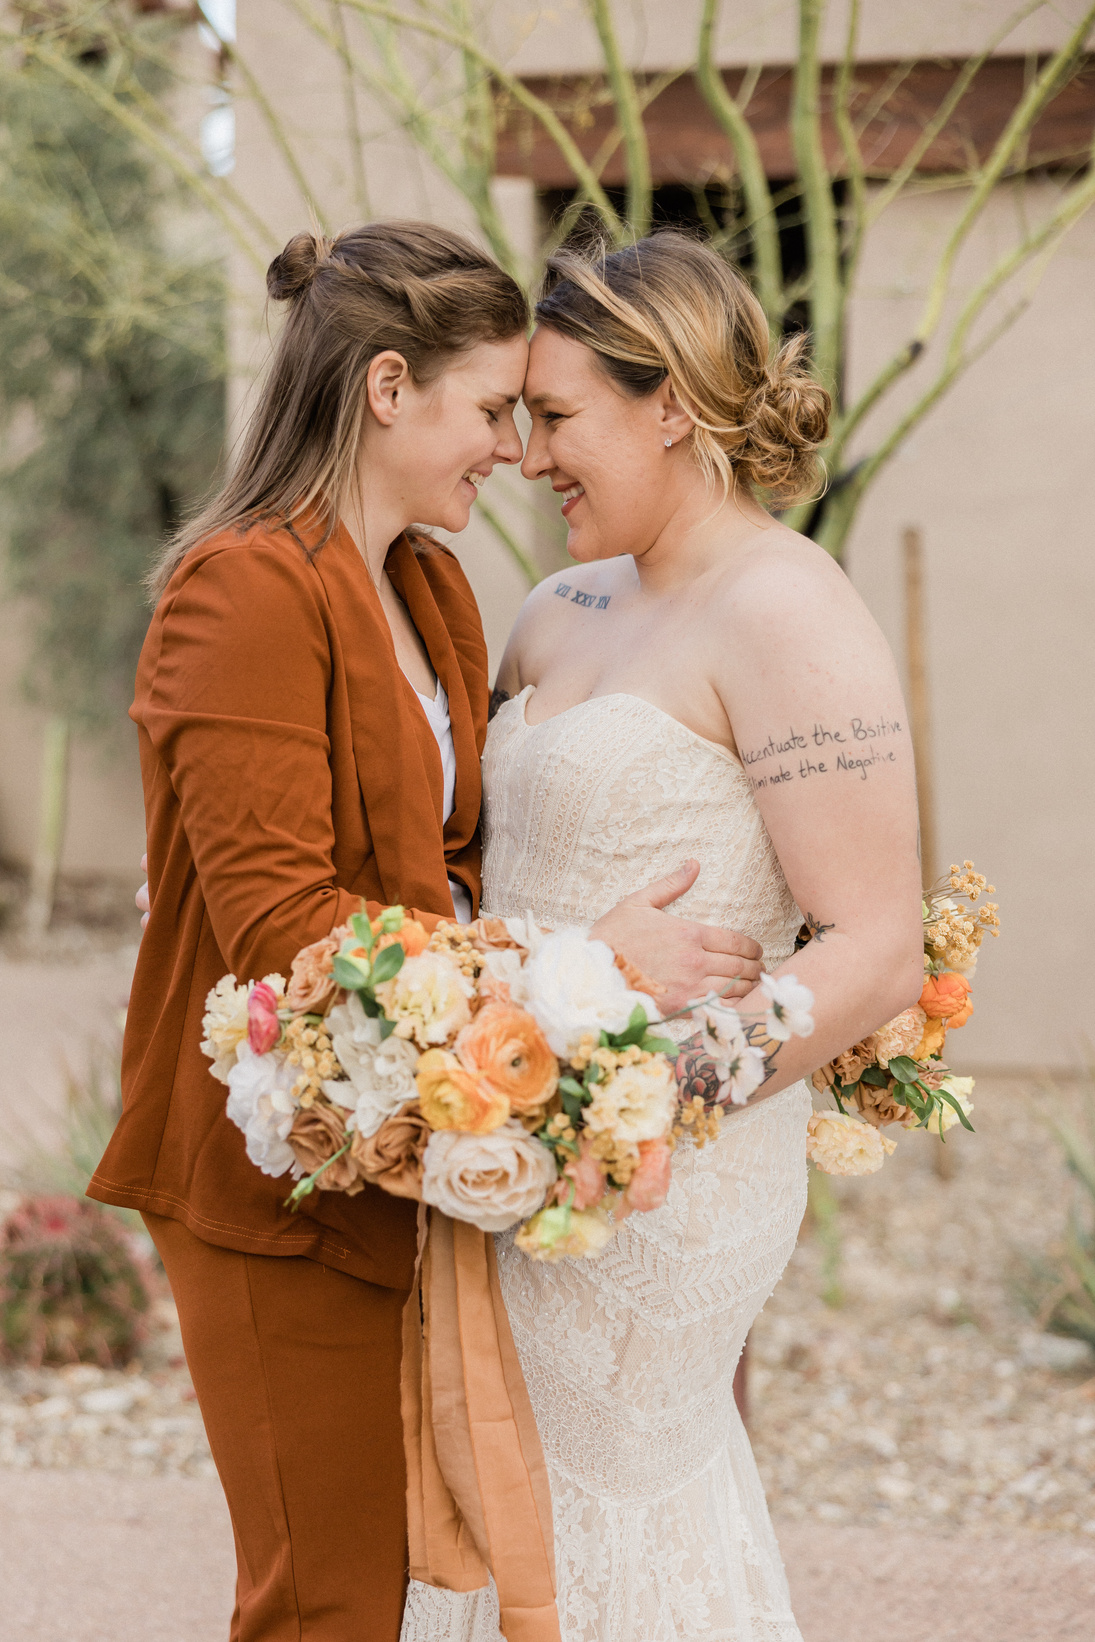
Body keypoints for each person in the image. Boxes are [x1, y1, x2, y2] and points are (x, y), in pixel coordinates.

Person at [94, 220, 763, 1642]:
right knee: (324, 1601)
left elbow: (452, 875)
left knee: (410, 1591)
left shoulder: (428, 588)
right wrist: (581, 967)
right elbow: (284, 926)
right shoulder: (241, 588)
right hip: (268, 1176)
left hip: (405, 1143)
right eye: (494, 408)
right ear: (388, 387)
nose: (515, 451)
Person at [401, 234, 923, 1642]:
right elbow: (469, 872)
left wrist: (641, 1097)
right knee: (490, 1496)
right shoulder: (551, 611)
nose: (526, 458)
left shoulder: (786, 606)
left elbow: (878, 941)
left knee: (607, 1508)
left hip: (668, 1169)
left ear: (672, 406)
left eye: (556, 416)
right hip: (504, 1133)